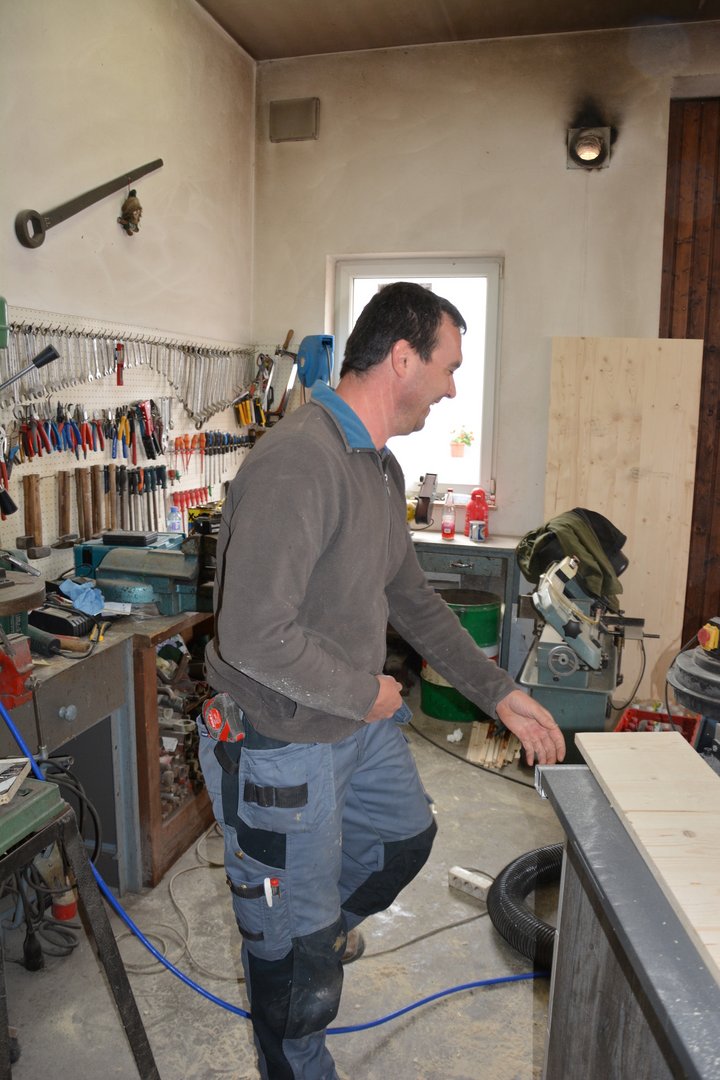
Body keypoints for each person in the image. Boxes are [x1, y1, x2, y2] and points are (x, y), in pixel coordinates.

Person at [201, 281, 565, 1080]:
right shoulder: (299, 461)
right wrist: (368, 693)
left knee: (403, 838)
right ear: (402, 358)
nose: (452, 389)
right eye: (449, 367)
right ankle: (296, 979)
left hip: (351, 726)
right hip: (281, 743)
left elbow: (414, 600)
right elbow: (252, 635)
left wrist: (499, 692)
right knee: (295, 981)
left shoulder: (377, 467)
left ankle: (313, 931)